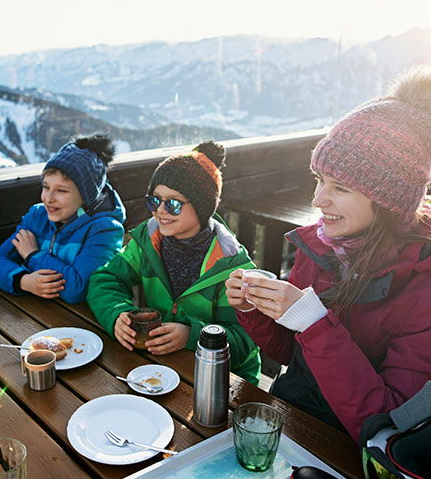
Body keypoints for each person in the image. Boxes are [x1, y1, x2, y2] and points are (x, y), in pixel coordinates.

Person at [225, 63, 431, 442]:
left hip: (353, 453)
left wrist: (314, 323)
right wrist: (254, 310)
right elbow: (291, 353)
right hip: (289, 424)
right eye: (320, 180)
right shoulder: (322, 246)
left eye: (340, 187)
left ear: (387, 199)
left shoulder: (422, 285)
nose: (318, 200)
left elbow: (388, 422)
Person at [87, 140, 261, 385]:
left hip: (225, 380)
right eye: (155, 200)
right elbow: (104, 280)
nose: (161, 211)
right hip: (164, 368)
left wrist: (193, 336)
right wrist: (117, 316)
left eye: (174, 204)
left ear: (202, 207)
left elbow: (245, 340)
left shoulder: (230, 265)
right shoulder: (148, 243)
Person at [0, 134, 126, 304]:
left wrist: (33, 255)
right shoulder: (37, 217)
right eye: (46, 187)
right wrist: (22, 281)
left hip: (81, 321)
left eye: (61, 191)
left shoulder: (105, 230)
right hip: (34, 314)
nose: (48, 198)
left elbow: (77, 288)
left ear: (86, 196)